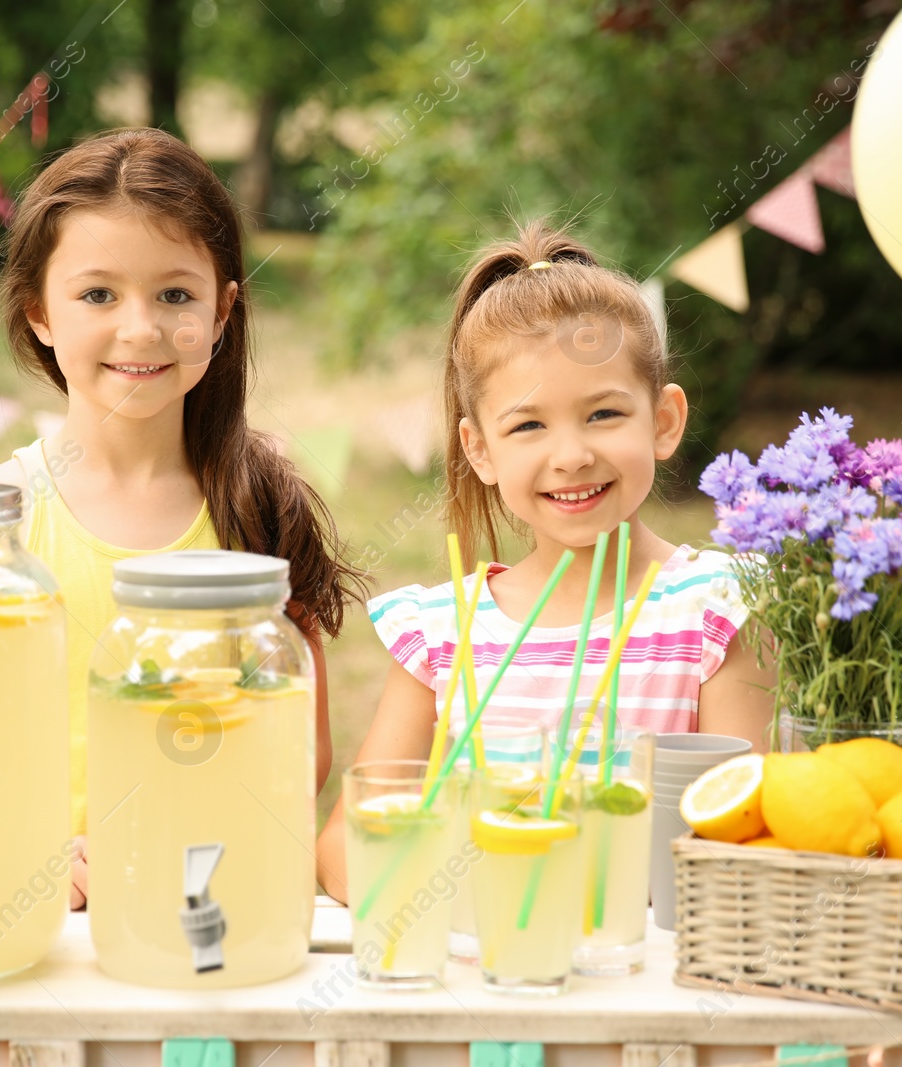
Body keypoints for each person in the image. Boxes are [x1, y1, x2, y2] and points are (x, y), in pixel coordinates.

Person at [315, 219, 775, 902]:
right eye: (528, 425)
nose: (571, 455)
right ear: (480, 451)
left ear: (665, 421)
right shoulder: (443, 632)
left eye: (603, 414)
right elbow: (343, 850)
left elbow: (742, 836)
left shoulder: (715, 607)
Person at [0, 128, 365, 909]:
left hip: (221, 913)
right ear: (38, 310)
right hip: (41, 921)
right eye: (98, 294)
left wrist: (188, 840)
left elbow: (302, 750)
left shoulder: (260, 501)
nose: (141, 328)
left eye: (175, 294)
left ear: (223, 312)